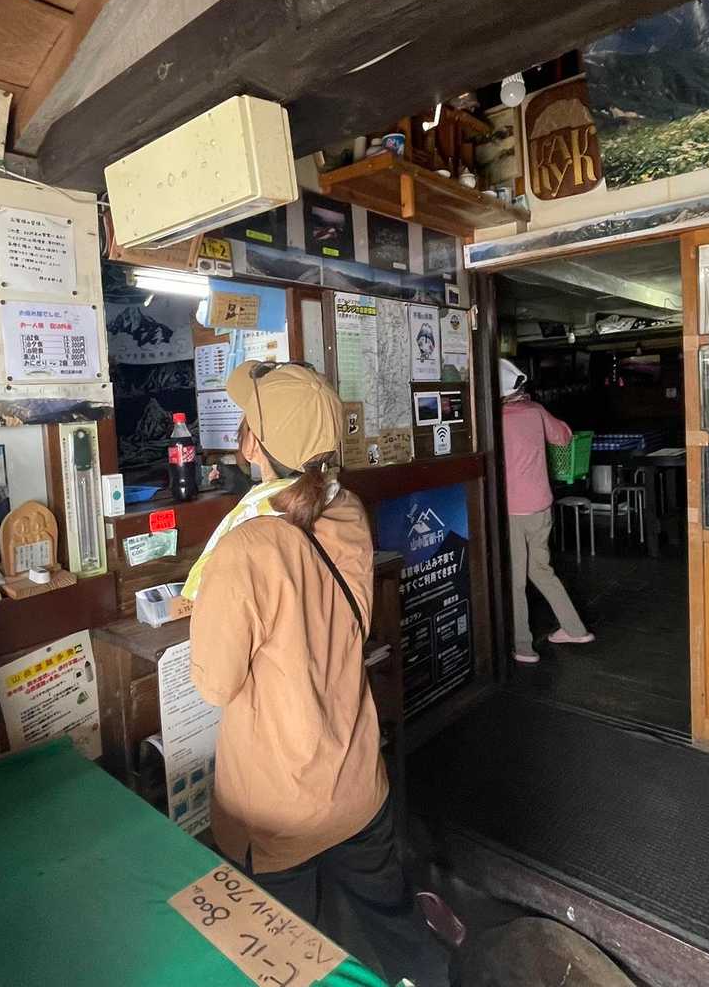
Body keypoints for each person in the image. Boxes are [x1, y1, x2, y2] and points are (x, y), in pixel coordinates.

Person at [186, 360, 450, 985]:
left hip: (276, 806)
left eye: (247, 421)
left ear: (255, 444)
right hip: (356, 782)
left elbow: (213, 684)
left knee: (282, 961)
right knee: (393, 925)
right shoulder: (349, 510)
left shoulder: (246, 547)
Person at [500, 357, 593, 663]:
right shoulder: (536, 411)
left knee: (515, 580)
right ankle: (575, 629)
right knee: (541, 570)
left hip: (513, 511)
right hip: (541, 506)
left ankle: (523, 646)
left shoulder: (496, 419)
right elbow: (564, 437)